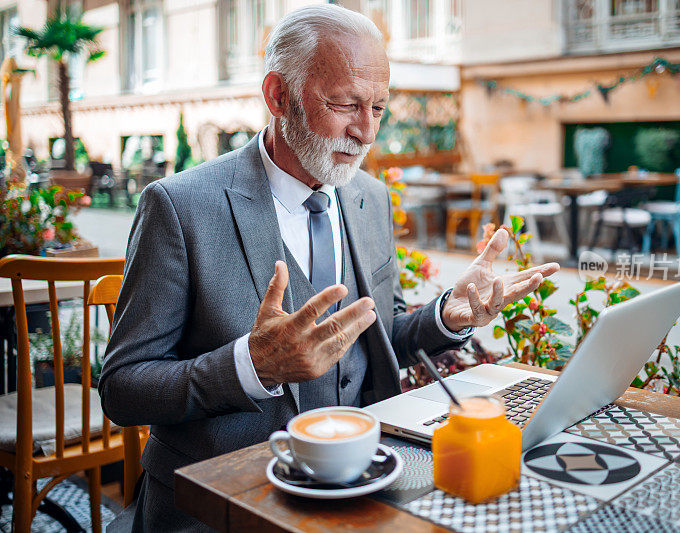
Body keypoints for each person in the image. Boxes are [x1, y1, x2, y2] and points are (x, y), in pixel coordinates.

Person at [99, 5, 559, 530]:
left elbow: (380, 338)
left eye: (379, 108)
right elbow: (122, 387)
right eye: (344, 104)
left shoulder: (370, 198)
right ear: (278, 95)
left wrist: (446, 317)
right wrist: (253, 366)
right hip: (219, 504)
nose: (366, 132)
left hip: (363, 484)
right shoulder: (179, 206)